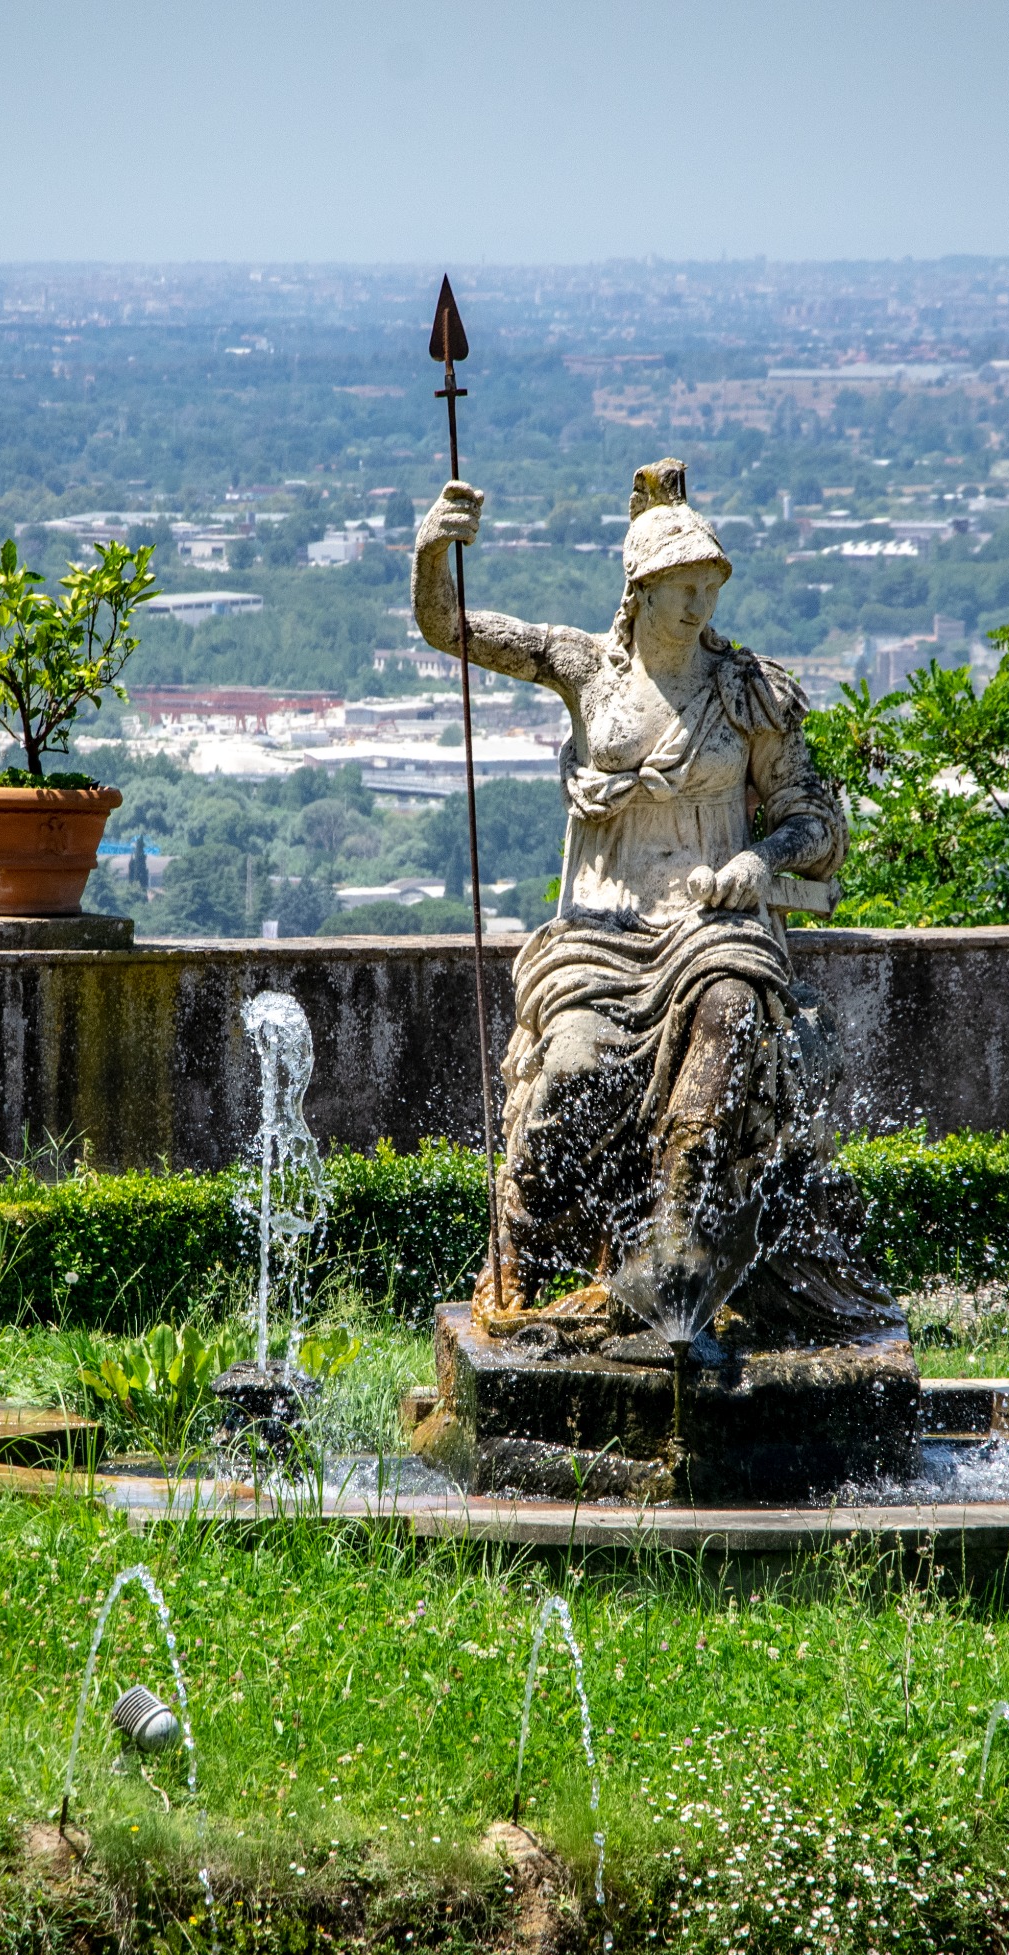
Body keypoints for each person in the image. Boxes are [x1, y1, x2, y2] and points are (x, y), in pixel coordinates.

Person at [415, 459, 900, 1359]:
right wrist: (431, 553)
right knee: (572, 1067)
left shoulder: (747, 691)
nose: (697, 607)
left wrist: (757, 859)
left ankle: (677, 1246)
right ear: (638, 588)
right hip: (599, 934)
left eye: (709, 588)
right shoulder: (584, 668)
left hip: (711, 929)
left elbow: (815, 824)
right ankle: (527, 1257)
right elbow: (452, 628)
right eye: (681, 589)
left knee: (731, 1011)